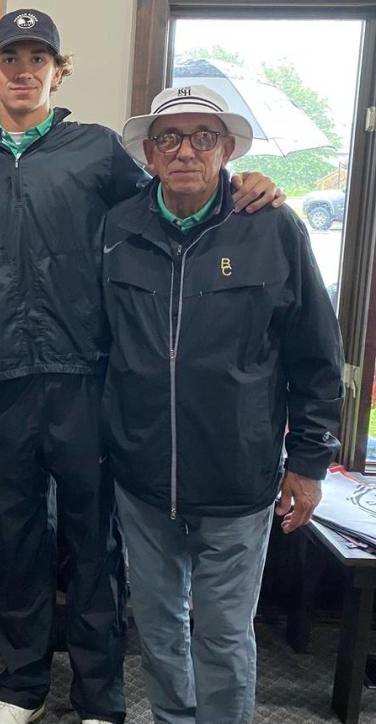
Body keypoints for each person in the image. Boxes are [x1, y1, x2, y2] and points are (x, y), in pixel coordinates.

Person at [0, 10, 284, 724]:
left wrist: (247, 185)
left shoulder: (97, 150)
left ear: (58, 72)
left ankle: (98, 695)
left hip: (86, 378)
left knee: (90, 542)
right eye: (10, 58)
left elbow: (174, 199)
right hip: (2, 378)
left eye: (38, 58)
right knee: (13, 539)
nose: (23, 70)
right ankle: (21, 685)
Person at [103, 84, 343, 724]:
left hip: (238, 475)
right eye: (170, 139)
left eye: (203, 137)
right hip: (143, 475)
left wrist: (310, 463)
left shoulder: (274, 228)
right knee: (156, 632)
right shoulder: (117, 229)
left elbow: (316, 356)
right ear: (150, 154)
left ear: (227, 148)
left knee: (223, 636)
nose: (186, 151)